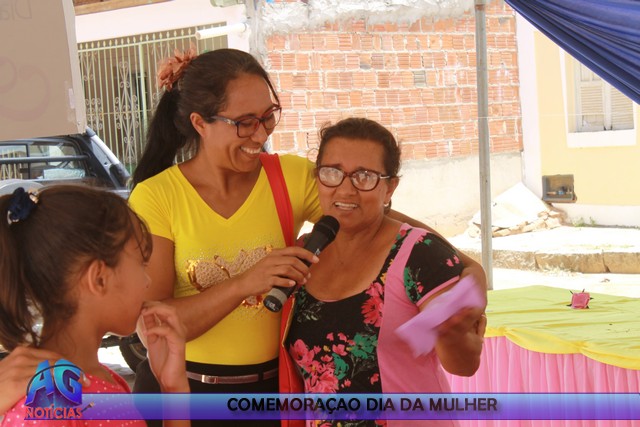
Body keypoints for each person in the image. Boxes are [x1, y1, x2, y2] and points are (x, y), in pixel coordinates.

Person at [128, 48, 486, 426]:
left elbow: (391, 228)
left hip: (274, 393)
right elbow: (154, 329)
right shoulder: (157, 197)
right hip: (184, 395)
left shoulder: (289, 177)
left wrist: (471, 273)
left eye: (268, 116)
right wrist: (246, 283)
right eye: (245, 123)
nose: (261, 134)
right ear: (200, 123)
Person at [280, 118, 487, 427]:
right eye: (332, 172)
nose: (345, 189)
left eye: (364, 176)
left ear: (390, 187)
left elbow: (464, 365)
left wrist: (452, 335)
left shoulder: (419, 253)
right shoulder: (304, 255)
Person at [0, 185, 189, 427]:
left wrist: (173, 388)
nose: (147, 281)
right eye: (142, 264)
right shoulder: (51, 398)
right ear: (99, 278)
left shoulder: (100, 377)